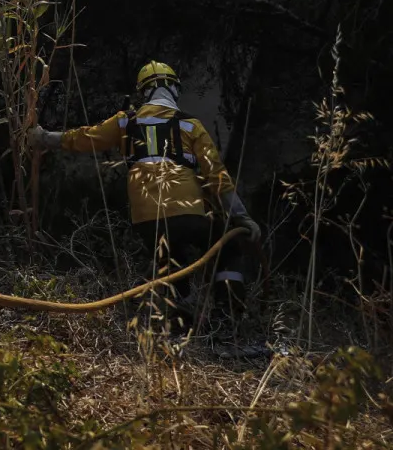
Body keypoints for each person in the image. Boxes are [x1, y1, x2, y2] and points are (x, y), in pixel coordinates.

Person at [28, 61, 259, 335]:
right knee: (228, 249)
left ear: (143, 92)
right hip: (189, 213)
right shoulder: (191, 126)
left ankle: (180, 323)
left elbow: (86, 137)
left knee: (171, 263)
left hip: (146, 218)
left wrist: (43, 138)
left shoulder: (127, 121)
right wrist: (241, 216)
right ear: (174, 89)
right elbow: (216, 175)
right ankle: (226, 323)